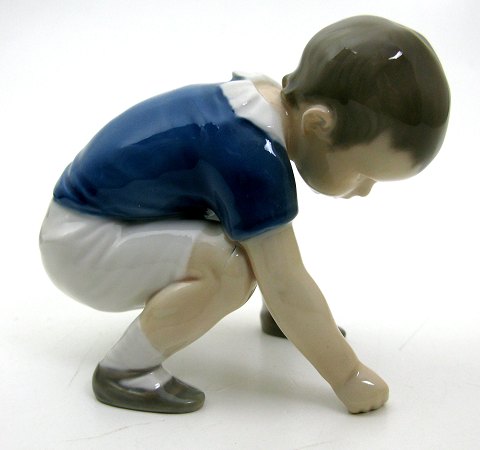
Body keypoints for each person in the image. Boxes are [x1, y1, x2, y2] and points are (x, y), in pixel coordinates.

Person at [39, 15, 450, 414]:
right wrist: (348, 375)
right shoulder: (250, 155)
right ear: (318, 124)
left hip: (108, 223)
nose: (364, 191)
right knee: (230, 268)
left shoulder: (260, 103)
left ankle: (279, 323)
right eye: (363, 173)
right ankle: (126, 370)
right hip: (83, 244)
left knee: (252, 235)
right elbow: (284, 282)